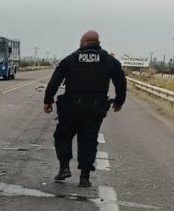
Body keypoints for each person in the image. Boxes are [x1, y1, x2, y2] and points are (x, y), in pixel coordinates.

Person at [43, 30, 126, 187]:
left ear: (83, 42)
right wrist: (119, 101)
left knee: (63, 136)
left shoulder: (70, 59)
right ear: (98, 42)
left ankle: (64, 168)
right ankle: (85, 177)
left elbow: (55, 81)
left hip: (71, 107)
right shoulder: (109, 61)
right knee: (88, 139)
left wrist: (48, 100)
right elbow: (121, 82)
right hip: (95, 108)